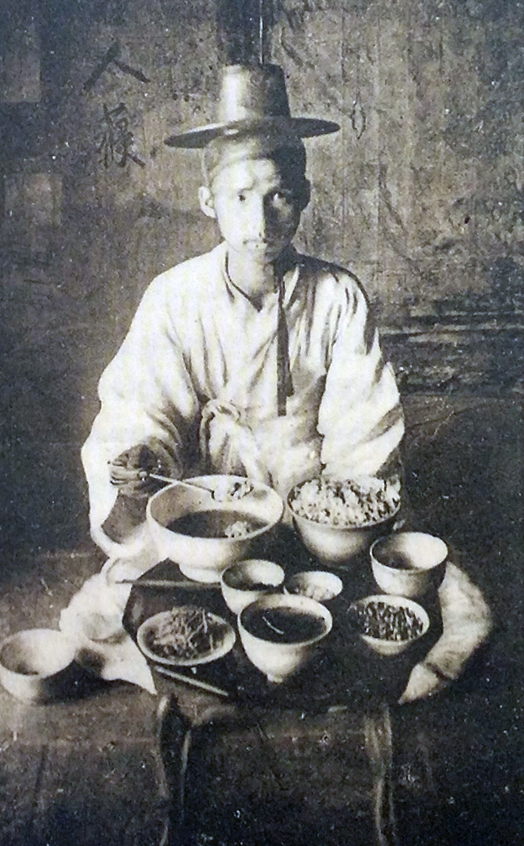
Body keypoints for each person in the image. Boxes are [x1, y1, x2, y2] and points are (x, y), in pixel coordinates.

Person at [82, 64, 404, 572]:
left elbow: (364, 433)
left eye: (278, 195)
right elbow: (141, 409)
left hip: (312, 520)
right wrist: (142, 460)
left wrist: (333, 524)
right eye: (240, 197)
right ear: (208, 201)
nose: (260, 222)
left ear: (303, 198)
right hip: (204, 519)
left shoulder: (337, 295)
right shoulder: (174, 296)